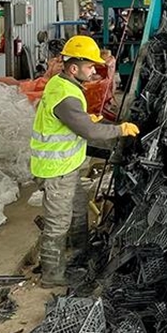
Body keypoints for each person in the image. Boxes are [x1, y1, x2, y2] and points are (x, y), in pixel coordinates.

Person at [30, 35, 139, 286]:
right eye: (90, 66)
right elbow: (89, 133)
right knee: (57, 222)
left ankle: (79, 250)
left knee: (78, 206)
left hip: (68, 166)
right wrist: (119, 129)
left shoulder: (65, 85)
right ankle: (52, 274)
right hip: (55, 169)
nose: (93, 70)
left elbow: (72, 121)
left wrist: (84, 118)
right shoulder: (65, 95)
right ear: (73, 68)